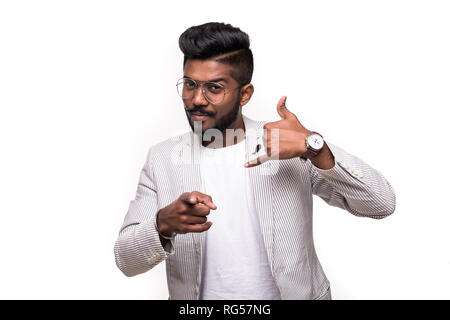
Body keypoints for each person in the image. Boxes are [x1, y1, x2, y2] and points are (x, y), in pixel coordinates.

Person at [114, 22, 396, 300]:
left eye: (214, 88)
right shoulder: (163, 159)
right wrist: (162, 225)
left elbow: (381, 204)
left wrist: (314, 147)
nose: (196, 99)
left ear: (245, 94)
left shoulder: (287, 144)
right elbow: (126, 261)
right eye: (189, 84)